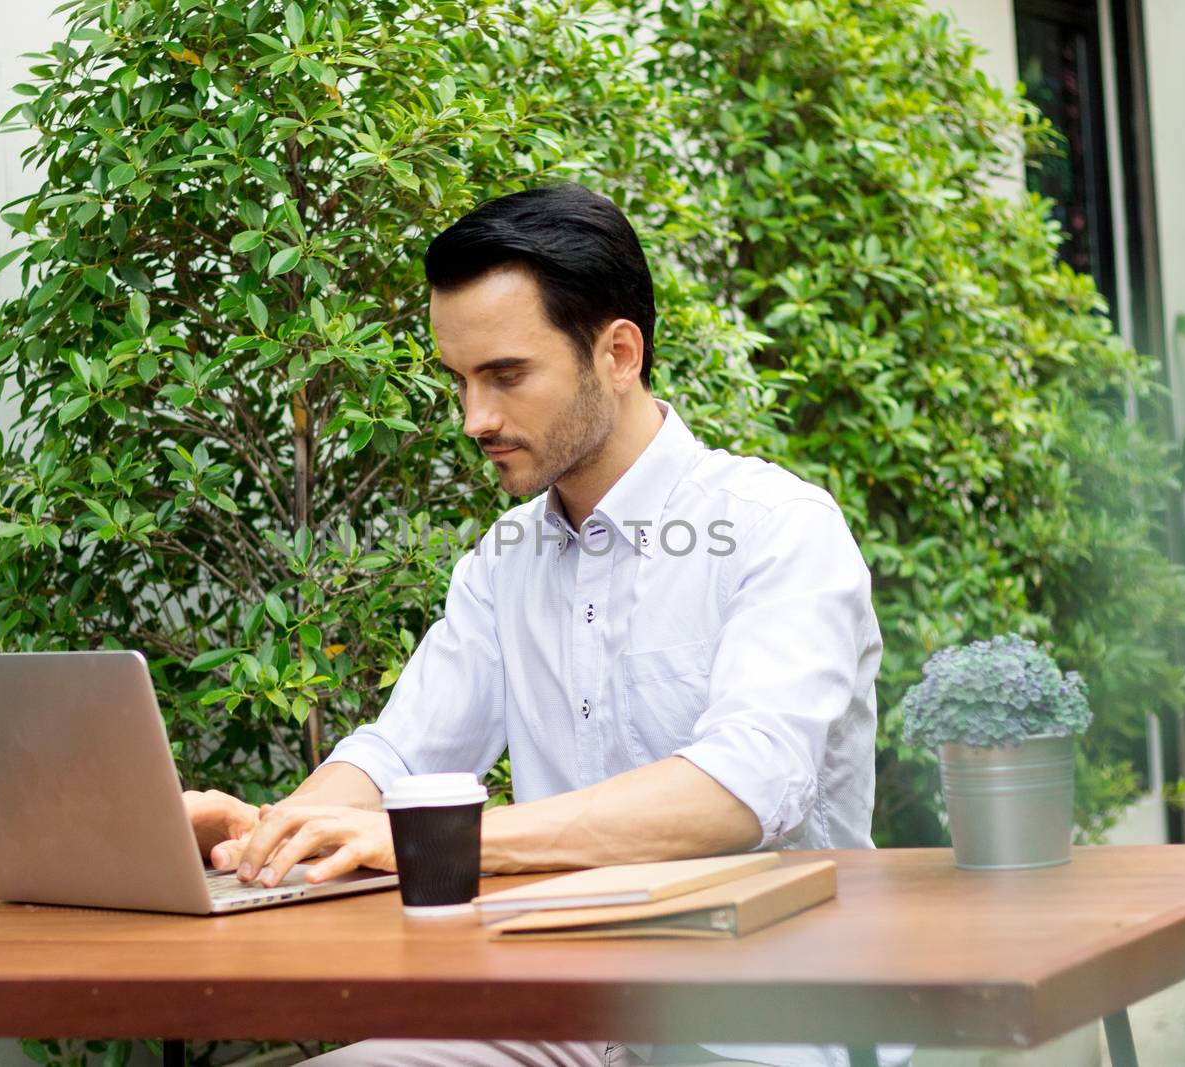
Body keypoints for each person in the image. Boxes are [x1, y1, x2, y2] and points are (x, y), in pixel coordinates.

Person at [182, 183, 907, 1067]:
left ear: (618, 353)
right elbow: (401, 754)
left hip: (761, 1026)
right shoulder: (504, 561)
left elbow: (743, 787)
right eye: (459, 380)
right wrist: (271, 834)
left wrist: (439, 843)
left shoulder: (777, 528)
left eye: (506, 375)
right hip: (559, 1010)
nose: (474, 419)